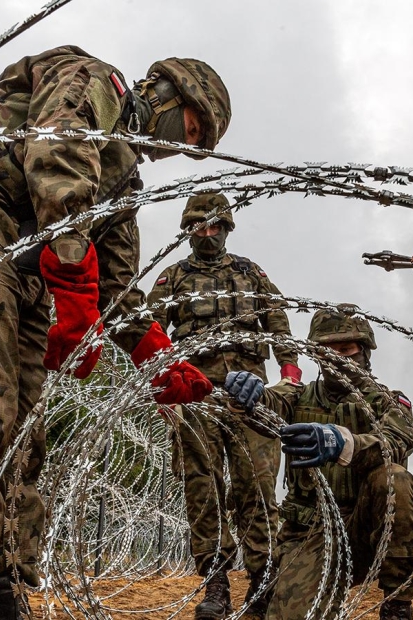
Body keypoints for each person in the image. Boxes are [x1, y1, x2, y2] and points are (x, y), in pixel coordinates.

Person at [0, 46, 231, 620]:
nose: (181, 148)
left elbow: (117, 288)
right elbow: (58, 143)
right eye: (189, 132)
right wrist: (71, 271)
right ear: (167, 94)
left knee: (22, 430)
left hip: (24, 274)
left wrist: (160, 358)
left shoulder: (122, 182)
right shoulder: (95, 81)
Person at [147, 191, 301, 619]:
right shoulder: (172, 278)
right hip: (196, 395)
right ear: (189, 230)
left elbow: (278, 322)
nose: (209, 235)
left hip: (249, 394)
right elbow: (151, 335)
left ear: (228, 228)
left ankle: (263, 578)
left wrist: (289, 376)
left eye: (216, 227)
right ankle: (215, 584)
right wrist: (161, 390)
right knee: (203, 487)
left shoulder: (251, 273)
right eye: (200, 227)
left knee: (256, 485)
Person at [223, 305, 413, 620]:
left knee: (395, 478)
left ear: (363, 352)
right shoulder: (298, 397)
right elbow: (270, 407)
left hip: (367, 531)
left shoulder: (386, 402)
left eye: (345, 349)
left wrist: (344, 443)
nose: (337, 358)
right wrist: (247, 395)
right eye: (327, 350)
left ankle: (397, 603)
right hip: (311, 532)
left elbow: (397, 441)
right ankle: (276, 581)